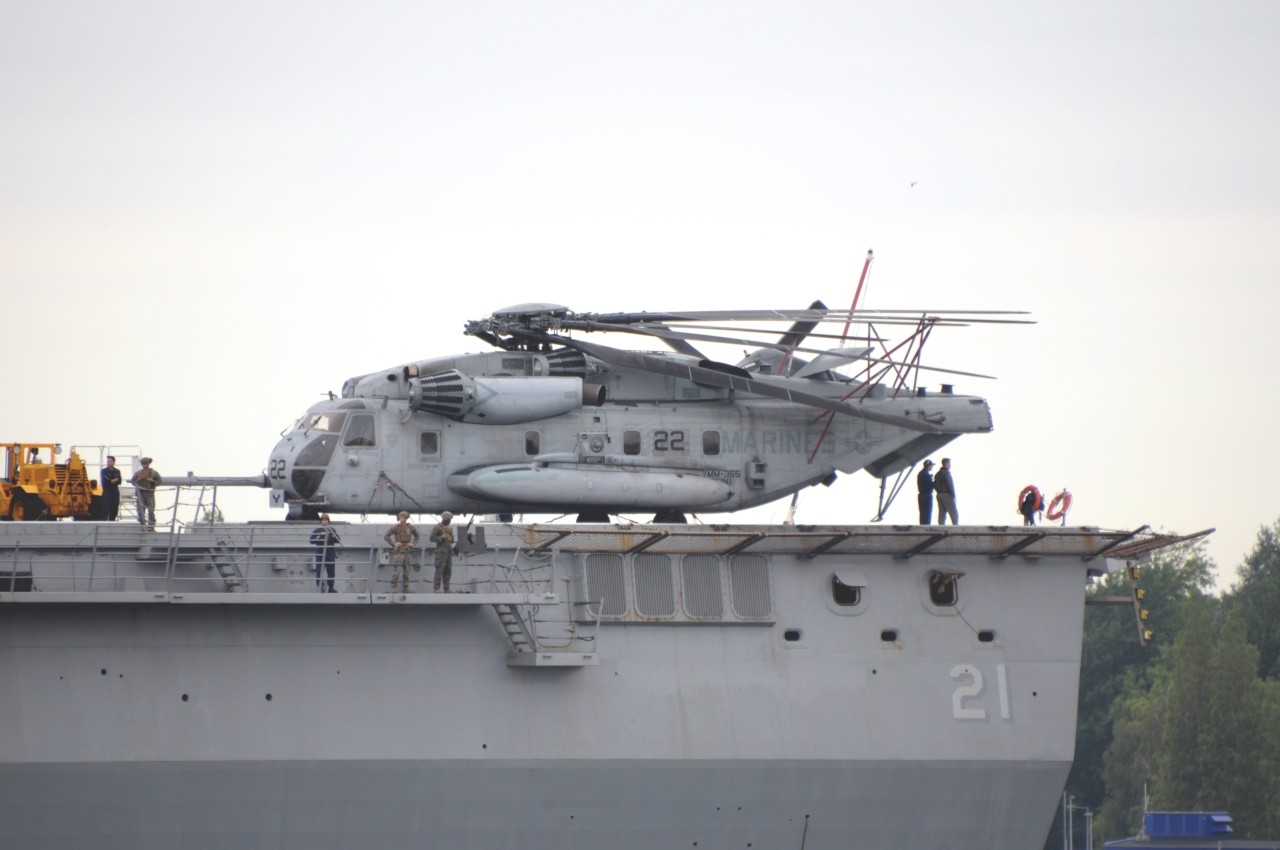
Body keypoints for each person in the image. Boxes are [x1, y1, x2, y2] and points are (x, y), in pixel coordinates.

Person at [383, 511, 419, 594]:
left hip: (407, 551)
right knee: (397, 570)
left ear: (406, 518)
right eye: (401, 518)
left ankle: (406, 587)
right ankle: (393, 587)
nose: (402, 519)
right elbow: (386, 536)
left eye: (403, 518)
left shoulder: (411, 527)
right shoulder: (395, 527)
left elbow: (417, 536)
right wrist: (393, 544)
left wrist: (413, 544)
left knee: (407, 570)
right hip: (399, 551)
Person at [309, 514, 342, 593]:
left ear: (328, 521)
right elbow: (311, 541)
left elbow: (338, 540)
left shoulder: (332, 530)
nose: (324, 521)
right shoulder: (317, 530)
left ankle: (331, 588)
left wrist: (333, 536)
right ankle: (320, 587)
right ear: (321, 521)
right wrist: (318, 537)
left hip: (330, 553)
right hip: (320, 554)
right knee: (319, 571)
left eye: (326, 520)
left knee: (331, 572)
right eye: (323, 520)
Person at [130, 457, 161, 531]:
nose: (144, 465)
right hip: (141, 493)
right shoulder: (138, 473)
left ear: (148, 464)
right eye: (142, 464)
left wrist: (152, 480)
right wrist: (138, 480)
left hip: (150, 493)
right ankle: (142, 527)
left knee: (151, 511)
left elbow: (159, 481)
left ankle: (151, 527)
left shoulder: (153, 472)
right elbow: (132, 481)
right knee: (141, 512)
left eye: (145, 463)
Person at [429, 511, 455, 593]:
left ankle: (446, 588)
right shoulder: (438, 527)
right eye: (449, 519)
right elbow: (431, 538)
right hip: (441, 551)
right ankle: (436, 588)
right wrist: (441, 538)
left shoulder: (449, 528)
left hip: (448, 551)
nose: (450, 521)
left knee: (448, 570)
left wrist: (451, 537)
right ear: (445, 519)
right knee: (439, 569)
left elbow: (452, 540)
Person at [934, 457, 958, 525]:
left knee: (942, 513)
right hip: (947, 495)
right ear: (946, 464)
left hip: (939, 495)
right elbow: (950, 484)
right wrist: (953, 495)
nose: (950, 465)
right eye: (949, 463)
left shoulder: (937, 474)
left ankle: (941, 527)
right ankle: (956, 527)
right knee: (953, 512)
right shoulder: (946, 473)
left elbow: (934, 484)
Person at [100, 455, 123, 521]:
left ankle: (112, 521)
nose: (108, 463)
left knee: (115, 507)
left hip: (115, 491)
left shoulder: (117, 471)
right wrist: (114, 480)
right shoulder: (103, 471)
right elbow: (107, 481)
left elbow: (119, 481)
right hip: (107, 491)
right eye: (107, 461)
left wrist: (114, 480)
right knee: (106, 507)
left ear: (113, 462)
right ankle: (104, 522)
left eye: (110, 461)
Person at [916, 460, 935, 524]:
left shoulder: (921, 473)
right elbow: (929, 486)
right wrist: (933, 482)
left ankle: (922, 525)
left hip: (922, 495)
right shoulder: (926, 474)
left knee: (923, 513)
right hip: (926, 496)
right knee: (927, 512)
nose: (932, 467)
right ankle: (926, 526)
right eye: (931, 465)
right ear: (928, 466)